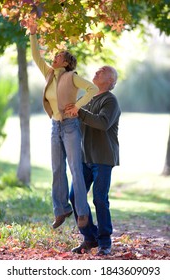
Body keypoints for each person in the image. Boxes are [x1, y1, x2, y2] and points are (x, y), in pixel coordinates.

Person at [28, 21, 99, 229]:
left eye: (59, 56)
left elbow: (92, 89)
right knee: (57, 169)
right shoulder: (49, 74)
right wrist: (33, 33)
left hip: (70, 126)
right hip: (55, 127)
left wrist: (76, 106)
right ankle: (61, 209)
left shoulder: (72, 77)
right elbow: (36, 56)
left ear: (66, 62)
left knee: (75, 169)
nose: (55, 57)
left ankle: (83, 212)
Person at [67, 66, 121, 256]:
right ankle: (90, 237)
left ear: (110, 81)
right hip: (84, 158)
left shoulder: (110, 101)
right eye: (97, 70)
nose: (97, 71)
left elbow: (102, 123)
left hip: (103, 159)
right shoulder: (88, 98)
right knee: (75, 196)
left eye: (102, 71)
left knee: (99, 199)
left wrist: (78, 111)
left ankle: (105, 242)